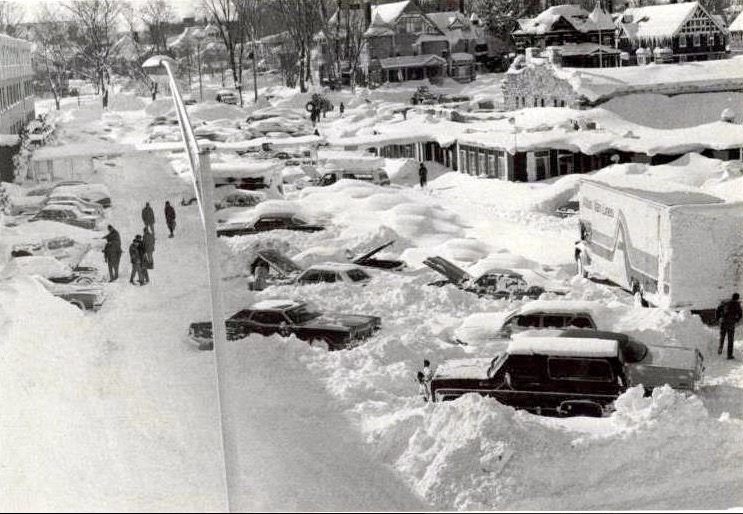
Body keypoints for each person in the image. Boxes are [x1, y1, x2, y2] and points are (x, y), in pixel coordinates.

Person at [717, 293, 742, 359]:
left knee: (722, 337)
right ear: (737, 298)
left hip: (723, 322)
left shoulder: (725, 302)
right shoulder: (737, 304)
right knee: (730, 339)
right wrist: (737, 320)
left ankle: (720, 349)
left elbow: (718, 309)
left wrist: (718, 318)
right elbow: (740, 314)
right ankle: (729, 355)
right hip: (731, 323)